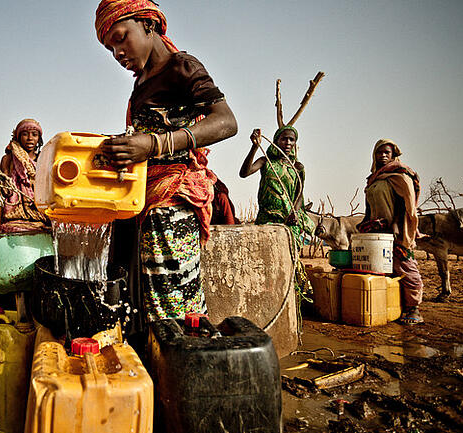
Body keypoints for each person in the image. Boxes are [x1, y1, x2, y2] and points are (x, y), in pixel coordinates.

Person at [95, 0, 238, 327]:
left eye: (120, 37)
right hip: (143, 195)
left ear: (148, 23)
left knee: (172, 306)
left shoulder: (181, 67)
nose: (117, 53)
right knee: (136, 297)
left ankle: (182, 363)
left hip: (173, 197)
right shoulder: (141, 84)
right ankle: (154, 365)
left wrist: (153, 144)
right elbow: (146, 134)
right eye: (109, 48)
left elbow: (227, 122)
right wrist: (119, 149)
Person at [240, 126, 315, 295]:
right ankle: (267, 295)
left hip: (288, 221)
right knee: (265, 261)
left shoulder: (298, 167)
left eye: (291, 139)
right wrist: (254, 146)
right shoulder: (265, 161)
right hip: (267, 218)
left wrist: (294, 213)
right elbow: (244, 173)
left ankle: (291, 297)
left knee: (289, 262)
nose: (287, 142)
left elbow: (299, 194)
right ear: (276, 141)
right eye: (283, 139)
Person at [358, 139, 424, 324]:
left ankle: (415, 309)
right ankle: (392, 307)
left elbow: (405, 202)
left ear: (394, 155)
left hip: (396, 229)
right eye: (379, 152)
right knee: (381, 268)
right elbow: (369, 206)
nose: (383, 156)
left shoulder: (400, 175)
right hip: (377, 228)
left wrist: (396, 224)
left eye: (387, 152)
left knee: (405, 264)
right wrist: (364, 223)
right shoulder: (374, 179)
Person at [0, 118, 49, 233]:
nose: (30, 138)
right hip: (15, 218)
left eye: (34, 135)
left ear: (39, 139)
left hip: (41, 215)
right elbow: (7, 192)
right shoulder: (8, 160)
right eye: (25, 134)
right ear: (18, 137)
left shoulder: (44, 160)